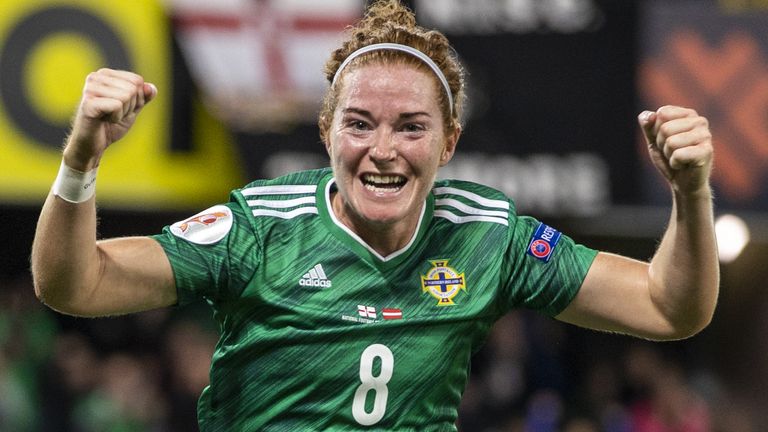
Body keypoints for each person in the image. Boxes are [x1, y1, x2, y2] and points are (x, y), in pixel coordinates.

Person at [31, 0, 718, 430]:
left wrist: (689, 195)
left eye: (411, 127)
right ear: (327, 130)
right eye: (359, 123)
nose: (382, 152)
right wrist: (83, 156)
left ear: (449, 142)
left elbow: (668, 310)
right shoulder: (259, 228)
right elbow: (74, 285)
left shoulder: (488, 236)